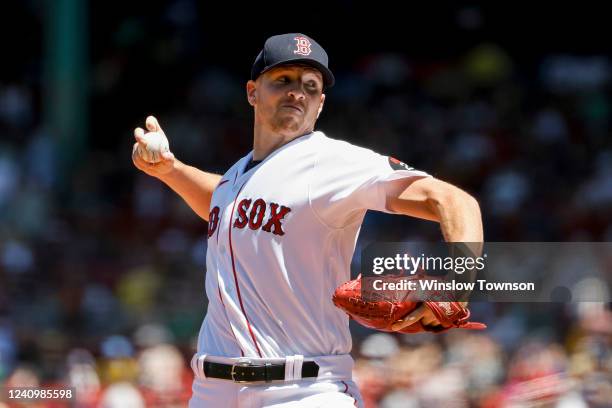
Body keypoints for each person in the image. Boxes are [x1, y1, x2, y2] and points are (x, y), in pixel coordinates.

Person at [132, 33, 483, 407]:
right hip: (212, 390)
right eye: (283, 80)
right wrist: (171, 171)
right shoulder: (237, 176)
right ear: (253, 92)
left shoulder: (332, 162)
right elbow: (225, 203)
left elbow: (452, 200)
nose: (297, 92)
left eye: (310, 86)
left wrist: (459, 283)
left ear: (320, 104)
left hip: (304, 390)